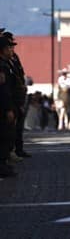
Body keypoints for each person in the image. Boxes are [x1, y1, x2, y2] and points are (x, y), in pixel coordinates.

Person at [0, 36, 18, 177]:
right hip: (4, 105)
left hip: (9, 102)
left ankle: (4, 163)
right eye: (8, 48)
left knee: (8, 134)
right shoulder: (2, 66)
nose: (11, 50)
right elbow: (3, 89)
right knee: (4, 134)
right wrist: (8, 108)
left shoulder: (7, 64)